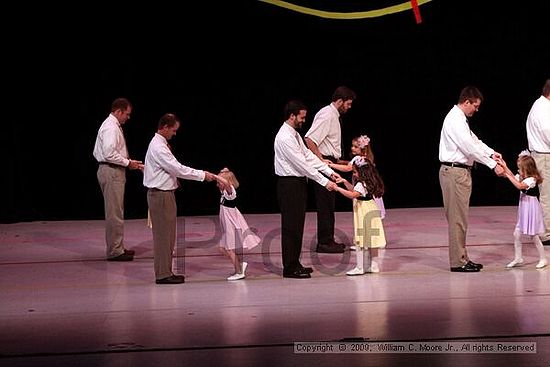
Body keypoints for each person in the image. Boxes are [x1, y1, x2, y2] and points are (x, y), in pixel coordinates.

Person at [143, 113, 216, 284]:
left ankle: (166, 271)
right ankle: (162, 274)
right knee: (163, 237)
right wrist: (202, 175)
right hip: (161, 196)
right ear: (165, 127)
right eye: (173, 130)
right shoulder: (158, 147)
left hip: (164, 194)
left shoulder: (159, 144)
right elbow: (178, 169)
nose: (175, 134)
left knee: (168, 236)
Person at [438, 86, 504, 272]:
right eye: (475, 105)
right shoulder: (454, 120)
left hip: (460, 173)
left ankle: (462, 258)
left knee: (461, 218)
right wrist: (492, 165)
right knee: (457, 219)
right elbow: (469, 147)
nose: (476, 109)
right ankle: (458, 262)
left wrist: (491, 153)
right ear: (466, 101)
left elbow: (475, 141)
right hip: (454, 172)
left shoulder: (460, 119)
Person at [274, 100, 339, 279]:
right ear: (292, 115)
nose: (304, 120)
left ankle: (295, 263)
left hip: (298, 183)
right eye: (302, 117)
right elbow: (302, 164)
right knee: (291, 226)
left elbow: (308, 156)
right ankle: (290, 267)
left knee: (297, 225)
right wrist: (324, 182)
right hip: (289, 185)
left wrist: (329, 172)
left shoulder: (293, 134)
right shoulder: (285, 137)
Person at [305, 85, 357, 253]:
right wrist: (321, 160)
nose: (349, 108)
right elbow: (310, 139)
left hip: (330, 162)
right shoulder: (327, 115)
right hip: (322, 166)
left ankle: (328, 239)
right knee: (325, 204)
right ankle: (324, 242)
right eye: (348, 104)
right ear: (339, 101)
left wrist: (339, 161)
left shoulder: (333, 115)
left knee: (329, 204)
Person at [93, 97, 144, 261]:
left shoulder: (113, 126)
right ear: (118, 111)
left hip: (112, 170)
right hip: (112, 170)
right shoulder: (111, 128)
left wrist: (128, 163)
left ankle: (117, 246)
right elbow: (109, 153)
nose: (128, 117)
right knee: (114, 212)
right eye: (127, 114)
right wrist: (128, 163)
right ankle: (115, 251)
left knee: (116, 211)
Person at [334, 156, 386, 275]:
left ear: (362, 173)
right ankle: (374, 265)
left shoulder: (361, 184)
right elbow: (356, 191)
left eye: (355, 172)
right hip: (371, 208)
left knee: (361, 238)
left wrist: (338, 189)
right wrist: (345, 182)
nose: (354, 174)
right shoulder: (368, 182)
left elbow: (353, 194)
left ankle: (360, 267)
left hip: (363, 211)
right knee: (372, 237)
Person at [496, 151, 548, 269]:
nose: (518, 171)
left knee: (533, 235)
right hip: (524, 208)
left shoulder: (531, 180)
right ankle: (518, 258)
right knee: (517, 234)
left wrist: (507, 174)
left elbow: (519, 186)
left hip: (531, 209)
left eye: (520, 169)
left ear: (528, 169)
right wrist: (504, 166)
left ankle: (543, 258)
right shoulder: (523, 177)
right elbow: (512, 176)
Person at [214, 167, 261, 280]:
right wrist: (224, 172)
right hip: (226, 226)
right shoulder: (224, 192)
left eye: (219, 182)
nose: (217, 184)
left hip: (231, 225)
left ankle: (239, 272)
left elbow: (226, 183)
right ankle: (240, 265)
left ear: (227, 183)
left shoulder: (230, 192)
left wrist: (216, 176)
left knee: (229, 249)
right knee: (222, 249)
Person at [329, 134, 386, 220]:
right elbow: (350, 164)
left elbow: (348, 168)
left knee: (360, 199)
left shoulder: (358, 158)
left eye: (355, 147)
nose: (352, 148)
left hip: (361, 185)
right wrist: (343, 162)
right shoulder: (365, 158)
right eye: (352, 146)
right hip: (369, 187)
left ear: (362, 149)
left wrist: (331, 165)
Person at [526, 79, 550, 246]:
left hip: (540, 155)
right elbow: (548, 132)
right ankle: (546, 233)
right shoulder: (543, 108)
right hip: (544, 157)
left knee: (545, 195)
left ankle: (543, 230)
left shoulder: (539, 105)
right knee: (547, 196)